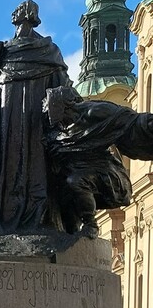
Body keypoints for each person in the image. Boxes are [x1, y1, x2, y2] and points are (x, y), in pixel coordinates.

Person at [0, 0, 71, 231]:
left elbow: (62, 85)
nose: (14, 13)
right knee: (4, 162)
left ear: (26, 15)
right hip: (4, 113)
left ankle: (35, 215)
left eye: (19, 10)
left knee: (34, 161)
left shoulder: (47, 50)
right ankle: (0, 215)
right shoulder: (4, 50)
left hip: (33, 116)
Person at [43, 84, 146, 234]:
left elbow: (131, 122)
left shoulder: (96, 112)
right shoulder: (60, 130)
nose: (54, 119)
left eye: (53, 112)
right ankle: (71, 234)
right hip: (78, 173)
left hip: (106, 174)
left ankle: (90, 224)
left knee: (75, 181)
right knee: (62, 191)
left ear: (64, 107)